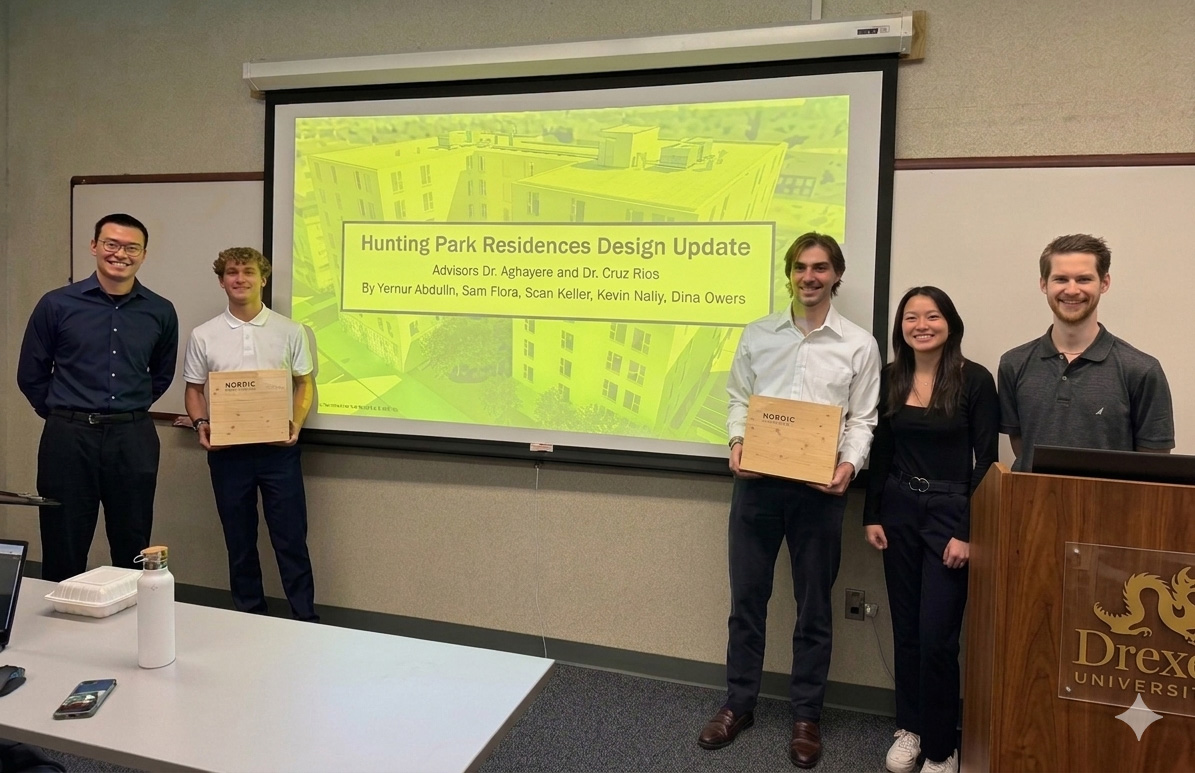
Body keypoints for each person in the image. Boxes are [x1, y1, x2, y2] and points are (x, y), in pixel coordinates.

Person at [698, 232, 881, 768]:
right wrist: (737, 442)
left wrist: (849, 466)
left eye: (820, 267)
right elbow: (738, 398)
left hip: (819, 495)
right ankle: (738, 704)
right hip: (756, 488)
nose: (809, 277)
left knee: (814, 609)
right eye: (800, 267)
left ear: (836, 275)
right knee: (747, 603)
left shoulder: (859, 345)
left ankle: (806, 717)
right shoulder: (758, 334)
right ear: (789, 273)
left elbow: (863, 419)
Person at [863, 287, 999, 773]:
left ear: (950, 324)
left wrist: (968, 531)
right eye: (911, 317)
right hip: (898, 509)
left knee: (938, 638)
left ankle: (941, 749)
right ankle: (911, 728)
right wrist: (872, 514)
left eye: (932, 316)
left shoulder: (974, 379)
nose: (921, 325)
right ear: (901, 327)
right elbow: (881, 450)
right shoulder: (891, 378)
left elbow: (987, 461)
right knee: (906, 629)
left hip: (950, 514)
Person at [17, 214, 178, 582]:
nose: (120, 254)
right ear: (94, 246)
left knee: (133, 538)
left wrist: (126, 411)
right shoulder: (56, 304)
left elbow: (161, 374)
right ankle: (62, 616)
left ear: (144, 254)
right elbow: (31, 374)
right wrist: (64, 414)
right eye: (111, 244)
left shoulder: (160, 310)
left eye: (131, 247)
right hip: (68, 439)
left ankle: (132, 615)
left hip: (132, 438)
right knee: (63, 539)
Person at [182, 247, 319, 622]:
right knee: (239, 542)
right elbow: (194, 390)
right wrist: (200, 424)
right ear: (221, 280)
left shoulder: (290, 331)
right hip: (228, 454)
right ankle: (248, 617)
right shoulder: (203, 335)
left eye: (248, 272)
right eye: (231, 272)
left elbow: (304, 384)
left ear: (263, 279)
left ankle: (305, 618)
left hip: (278, 452)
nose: (239, 279)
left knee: (291, 540)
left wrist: (295, 424)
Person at [999, 234, 1173, 471]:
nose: (1072, 290)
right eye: (1061, 279)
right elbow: (1023, 447)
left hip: (1112, 497)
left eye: (1084, 279)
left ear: (1104, 283)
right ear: (1044, 284)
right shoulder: (1013, 364)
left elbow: (1153, 467)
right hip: (1033, 496)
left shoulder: (1142, 370)